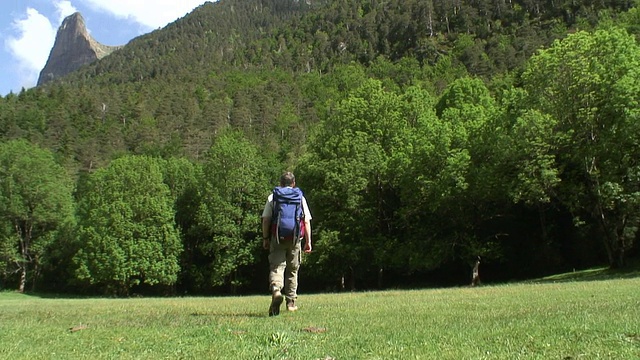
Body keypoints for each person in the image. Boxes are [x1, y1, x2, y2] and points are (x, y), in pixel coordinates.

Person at [261, 171, 312, 316]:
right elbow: (306, 221)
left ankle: (276, 290)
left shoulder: (273, 197)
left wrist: (265, 238)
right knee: (292, 270)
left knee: (277, 267)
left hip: (277, 238)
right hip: (295, 239)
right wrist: (308, 242)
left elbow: (265, 219)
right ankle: (291, 303)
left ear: (281, 183)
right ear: (294, 183)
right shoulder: (299, 197)